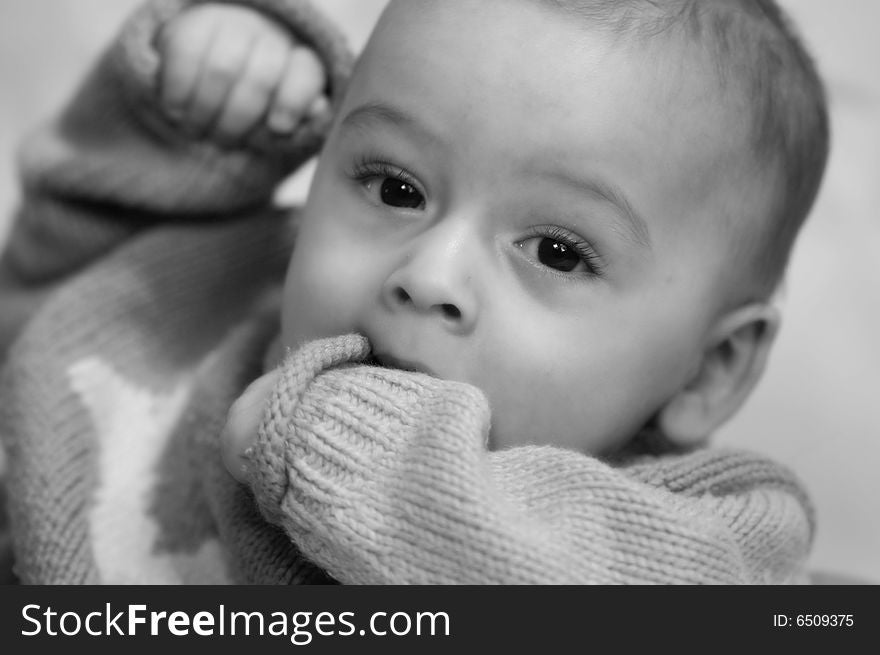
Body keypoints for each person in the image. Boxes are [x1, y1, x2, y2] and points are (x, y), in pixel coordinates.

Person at [0, 0, 828, 584]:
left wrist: (345, 454)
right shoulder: (227, 295)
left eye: (556, 250)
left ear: (706, 370)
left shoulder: (704, 536)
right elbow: (47, 301)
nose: (428, 276)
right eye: (395, 187)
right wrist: (193, 132)